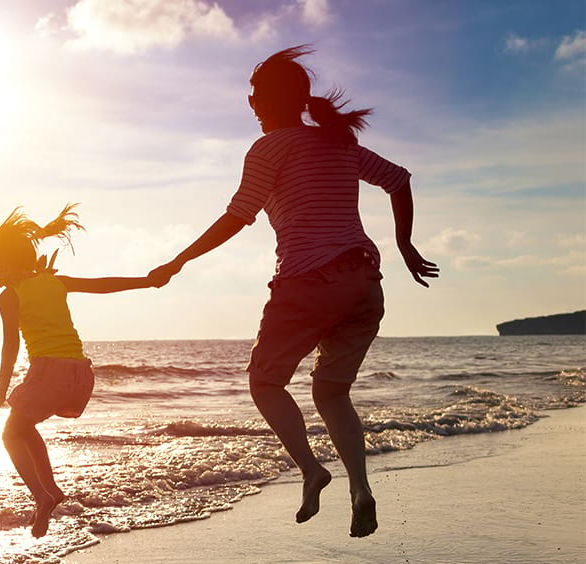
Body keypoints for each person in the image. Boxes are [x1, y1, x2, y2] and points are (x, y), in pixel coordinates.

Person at [149, 46, 439, 538]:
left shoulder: (270, 148)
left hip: (309, 281)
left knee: (264, 382)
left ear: (272, 101)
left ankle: (311, 469)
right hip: (365, 283)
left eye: (257, 95)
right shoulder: (336, 143)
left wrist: (179, 259)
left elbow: (237, 216)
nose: (251, 102)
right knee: (331, 391)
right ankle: (360, 490)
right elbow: (399, 180)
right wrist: (405, 245)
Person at [0, 204, 156, 538]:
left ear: (4, 264)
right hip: (80, 375)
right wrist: (146, 281)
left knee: (9, 434)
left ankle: (42, 495)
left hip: (48, 372)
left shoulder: (9, 296)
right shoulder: (55, 281)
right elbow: (102, 285)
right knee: (23, 426)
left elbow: (10, 348)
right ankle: (50, 491)